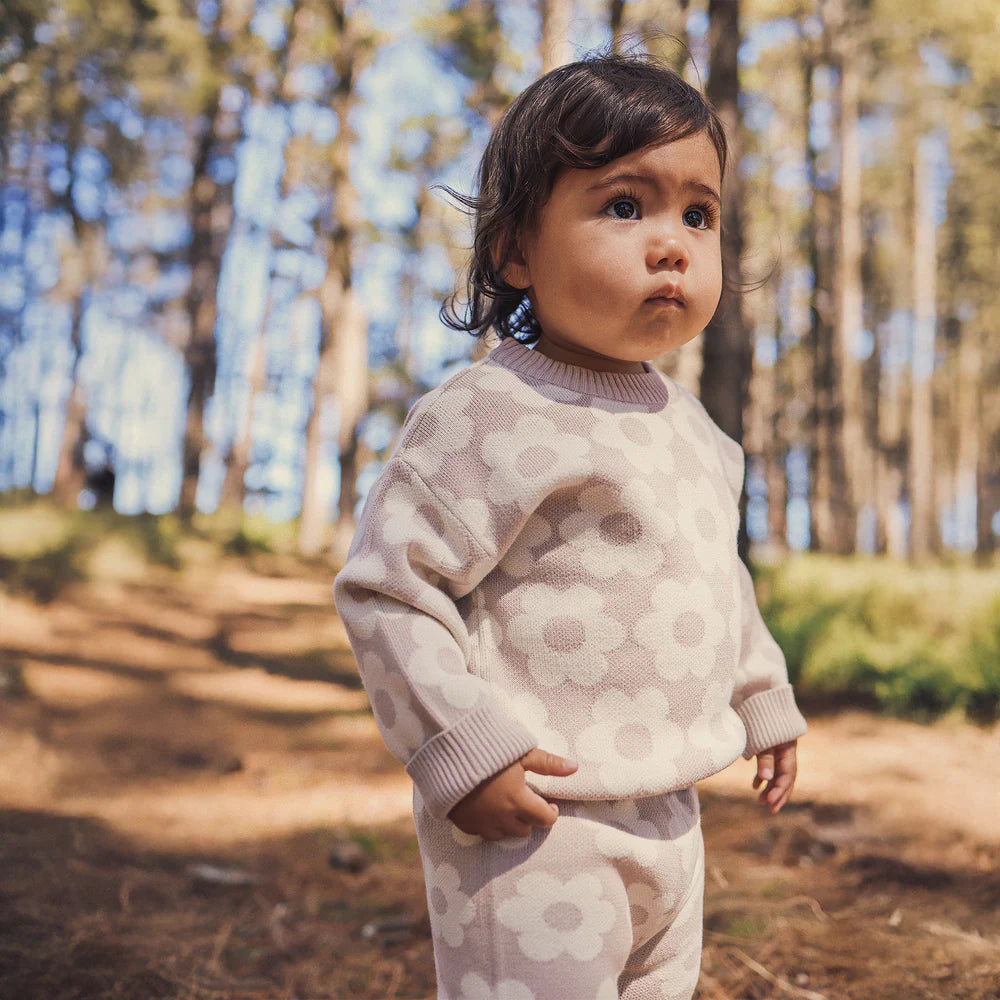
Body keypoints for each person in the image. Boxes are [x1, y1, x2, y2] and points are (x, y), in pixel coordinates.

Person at [333, 49, 807, 1000]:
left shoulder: (699, 435)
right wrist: (461, 749)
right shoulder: (486, 415)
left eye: (699, 214)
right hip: (533, 816)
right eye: (624, 205)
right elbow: (388, 592)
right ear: (515, 250)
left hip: (672, 813)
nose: (672, 244)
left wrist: (762, 696)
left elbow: (715, 581)